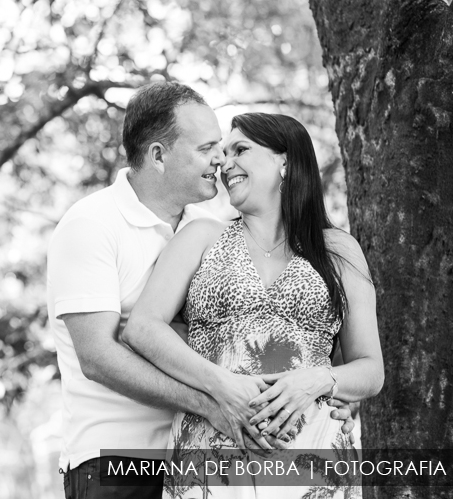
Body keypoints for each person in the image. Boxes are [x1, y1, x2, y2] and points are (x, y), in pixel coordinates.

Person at [46, 84, 353, 499]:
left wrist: (329, 389)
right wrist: (212, 401)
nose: (220, 161)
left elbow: (242, 334)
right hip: (117, 460)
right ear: (158, 155)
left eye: (227, 149)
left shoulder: (206, 229)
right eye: (208, 148)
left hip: (199, 456)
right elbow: (98, 358)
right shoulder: (93, 224)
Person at [121, 112, 384, 498]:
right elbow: (142, 327)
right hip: (212, 453)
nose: (225, 164)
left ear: (285, 161)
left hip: (313, 455)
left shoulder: (338, 250)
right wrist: (221, 385)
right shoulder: (202, 236)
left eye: (240, 150)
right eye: (222, 154)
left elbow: (370, 369)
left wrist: (319, 379)